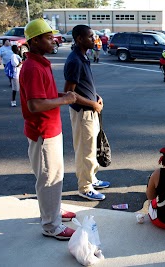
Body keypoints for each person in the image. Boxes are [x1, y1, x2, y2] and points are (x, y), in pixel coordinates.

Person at [20, 18, 78, 240]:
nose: (54, 40)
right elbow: (35, 104)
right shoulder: (33, 67)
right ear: (34, 41)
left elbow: (43, 96)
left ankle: (54, 210)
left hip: (50, 130)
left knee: (54, 176)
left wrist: (61, 96)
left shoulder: (40, 63)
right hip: (43, 132)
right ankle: (51, 225)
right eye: (47, 37)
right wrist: (65, 101)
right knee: (48, 178)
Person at [64, 25, 110, 201]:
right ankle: (85, 187)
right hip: (83, 113)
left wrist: (96, 96)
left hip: (91, 110)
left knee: (92, 149)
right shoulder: (74, 60)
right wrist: (92, 103)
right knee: (85, 152)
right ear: (79, 39)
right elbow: (69, 93)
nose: (94, 39)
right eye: (90, 37)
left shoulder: (83, 57)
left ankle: (92, 179)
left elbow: (83, 86)